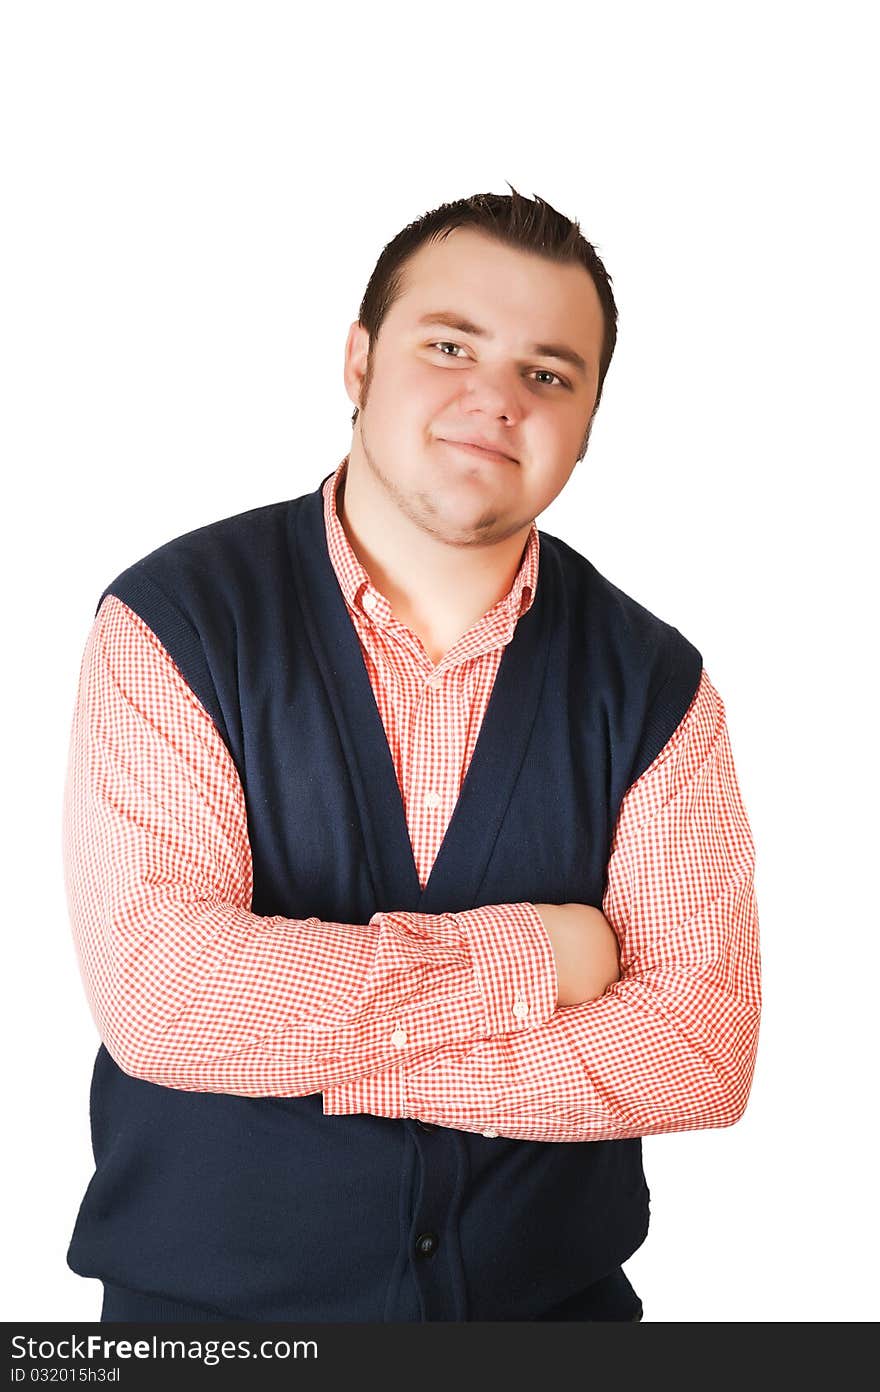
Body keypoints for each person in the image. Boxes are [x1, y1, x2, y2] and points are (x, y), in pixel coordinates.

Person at [62, 185, 762, 1324]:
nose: (493, 400)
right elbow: (164, 999)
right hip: (210, 1332)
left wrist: (317, 1053)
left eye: (548, 373)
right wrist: (539, 957)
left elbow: (697, 1049)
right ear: (358, 362)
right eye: (449, 346)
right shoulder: (175, 624)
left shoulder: (657, 687)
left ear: (585, 427)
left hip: (552, 1322)